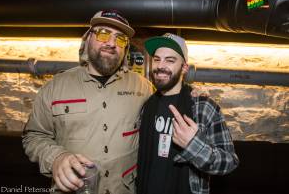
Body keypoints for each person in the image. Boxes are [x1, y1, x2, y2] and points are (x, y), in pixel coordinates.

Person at [22, 10, 153, 194]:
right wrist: (57, 158)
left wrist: (189, 97)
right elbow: (33, 136)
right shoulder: (54, 87)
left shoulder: (144, 88)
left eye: (120, 39)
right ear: (88, 38)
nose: (111, 43)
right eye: (103, 34)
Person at [137, 33, 239, 194]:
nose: (160, 66)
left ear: (184, 67)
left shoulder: (203, 107)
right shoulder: (146, 105)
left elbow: (229, 162)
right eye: (157, 59)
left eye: (170, 60)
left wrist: (193, 146)